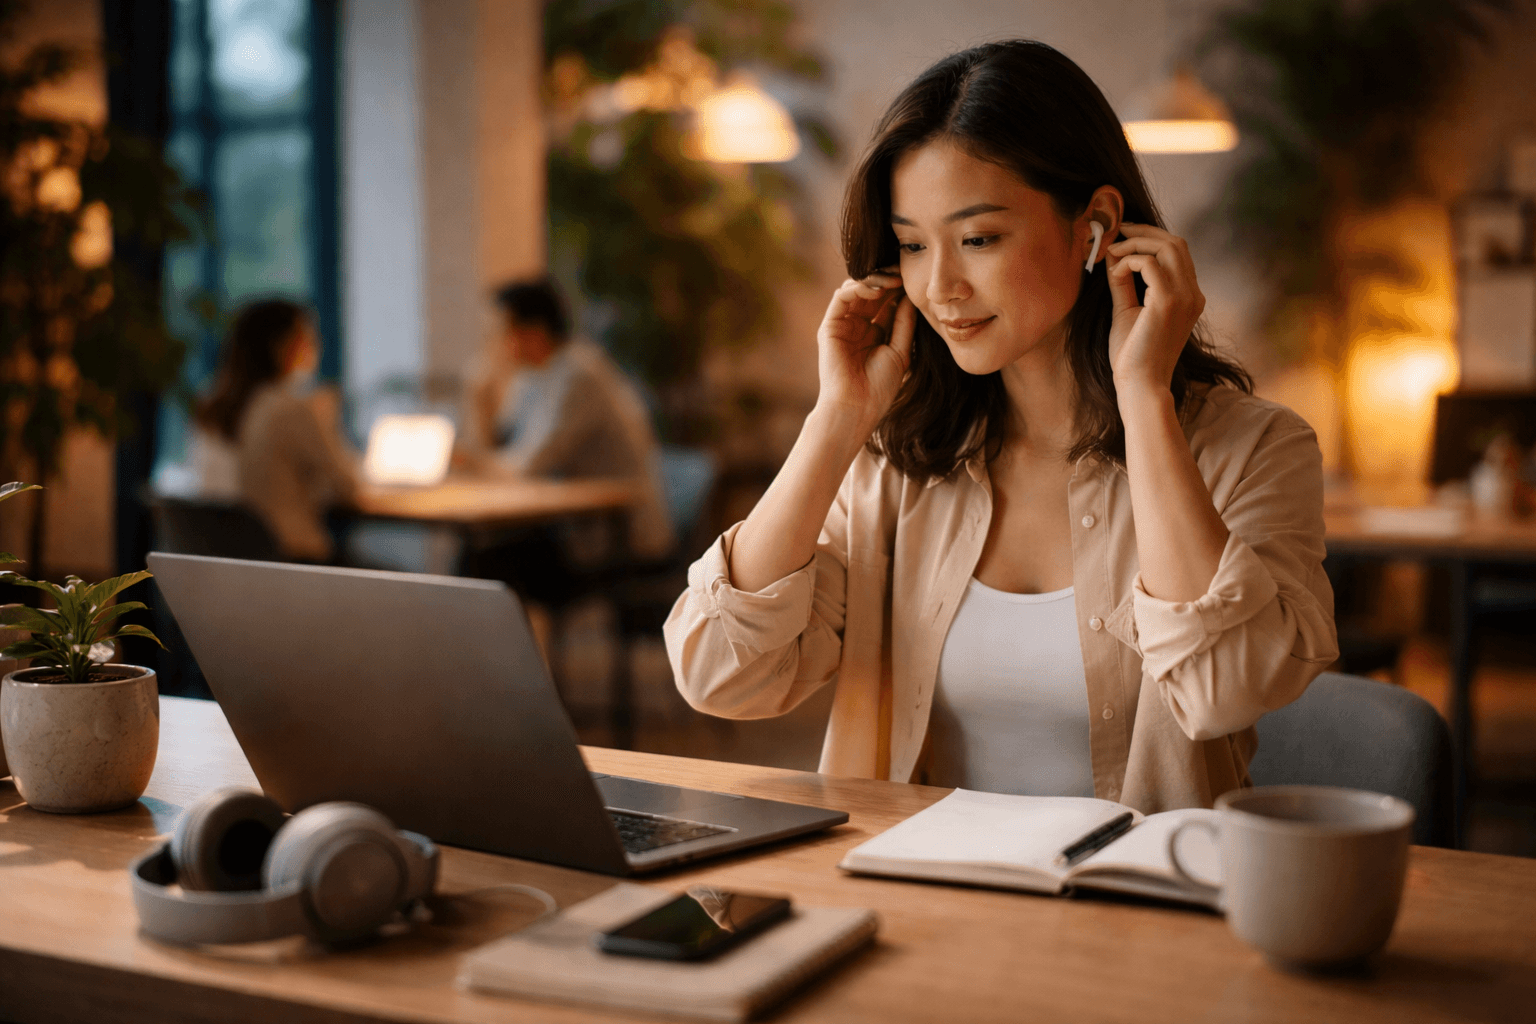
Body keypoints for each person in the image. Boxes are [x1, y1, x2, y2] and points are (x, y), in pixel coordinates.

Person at [663, 41, 1338, 813]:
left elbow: (1225, 690)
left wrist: (1145, 395)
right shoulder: (896, 465)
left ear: (1096, 227)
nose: (941, 286)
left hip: (1142, 917)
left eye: (979, 238)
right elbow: (719, 675)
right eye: (913, 245)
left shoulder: (1253, 450)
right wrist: (837, 419)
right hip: (913, 906)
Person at [467, 278, 674, 564]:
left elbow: (528, 466)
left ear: (534, 332)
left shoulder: (579, 377)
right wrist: (481, 405)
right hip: (573, 528)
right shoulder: (531, 378)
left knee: (483, 558)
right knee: (481, 549)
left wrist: (466, 460)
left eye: (500, 332)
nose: (494, 344)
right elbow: (505, 451)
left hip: (618, 537)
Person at [192, 299, 358, 562]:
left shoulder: (212, 405)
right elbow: (348, 486)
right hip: (290, 562)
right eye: (307, 337)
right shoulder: (290, 409)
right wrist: (327, 421)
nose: (316, 347)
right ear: (281, 346)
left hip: (225, 561)